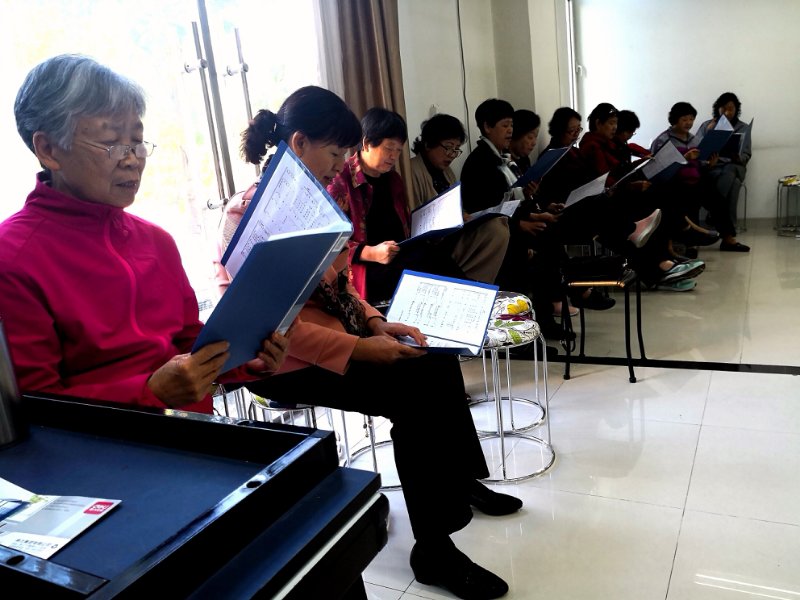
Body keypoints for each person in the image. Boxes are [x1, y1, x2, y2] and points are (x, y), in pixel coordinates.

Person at [218, 86, 518, 600]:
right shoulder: (246, 216)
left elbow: (342, 283)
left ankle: (454, 480)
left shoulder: (318, 202)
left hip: (337, 335)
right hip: (283, 361)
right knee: (414, 391)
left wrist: (376, 322)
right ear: (299, 142)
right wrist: (358, 349)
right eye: (335, 152)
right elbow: (266, 325)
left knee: (433, 358)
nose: (342, 165)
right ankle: (435, 549)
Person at [0, 54, 288, 413]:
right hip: (114, 444)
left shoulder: (155, 241)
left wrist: (247, 358)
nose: (132, 159)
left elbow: (187, 343)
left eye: (137, 141)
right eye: (112, 142)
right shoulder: (13, 258)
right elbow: (35, 406)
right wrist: (150, 393)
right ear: (48, 149)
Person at [327, 108, 497, 305]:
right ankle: (474, 299)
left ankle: (474, 298)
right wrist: (371, 252)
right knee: (425, 262)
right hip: (367, 267)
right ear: (366, 143)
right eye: (389, 148)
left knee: (433, 254)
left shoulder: (393, 180)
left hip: (399, 254)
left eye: (398, 150)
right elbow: (332, 245)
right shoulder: (340, 182)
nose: (394, 156)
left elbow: (405, 227)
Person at [409, 113, 510, 286]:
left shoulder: (447, 173)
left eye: (456, 149)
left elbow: (456, 207)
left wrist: (463, 215)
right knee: (495, 230)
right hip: (431, 244)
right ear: (428, 143)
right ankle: (471, 284)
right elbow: (415, 219)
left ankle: (478, 284)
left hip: (451, 235)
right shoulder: (413, 170)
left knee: (498, 226)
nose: (452, 155)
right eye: (448, 147)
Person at [694, 92, 751, 252]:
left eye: (731, 109)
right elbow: (696, 149)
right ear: (717, 108)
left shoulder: (743, 127)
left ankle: (713, 214)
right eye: (724, 109)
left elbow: (747, 154)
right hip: (713, 166)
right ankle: (728, 236)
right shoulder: (707, 125)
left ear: (736, 110)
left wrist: (738, 157)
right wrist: (709, 134)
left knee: (730, 171)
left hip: (734, 165)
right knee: (734, 183)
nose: (727, 112)